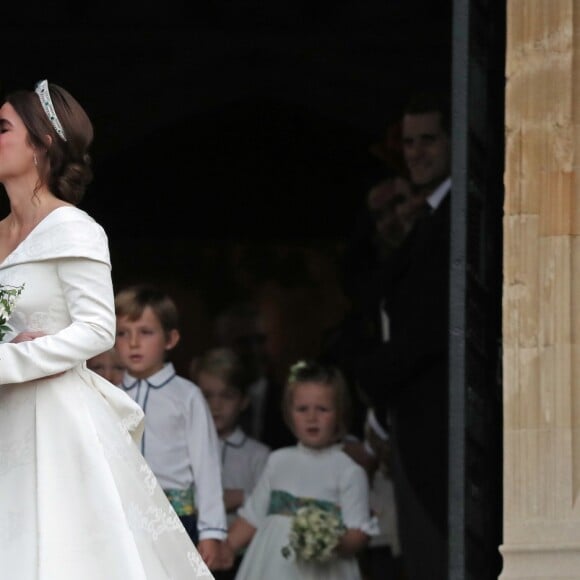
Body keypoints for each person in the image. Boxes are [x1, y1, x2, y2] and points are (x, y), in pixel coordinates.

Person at [0, 80, 213, 578]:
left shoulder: (75, 229)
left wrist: (11, 360)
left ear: (42, 143)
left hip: (49, 416)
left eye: (3, 128)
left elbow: (97, 328)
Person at [352, 89, 452, 579]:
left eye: (429, 140)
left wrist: (368, 379)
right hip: (409, 419)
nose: (417, 152)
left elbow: (432, 324)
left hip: (442, 421)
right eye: (409, 142)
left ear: (455, 141)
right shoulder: (428, 219)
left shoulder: (456, 216)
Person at [223, 360, 378, 580]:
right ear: (289, 412)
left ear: (339, 413)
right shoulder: (278, 461)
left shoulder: (349, 471)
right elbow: (252, 517)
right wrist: (225, 548)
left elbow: (358, 533)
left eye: (322, 409)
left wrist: (330, 542)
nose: (311, 418)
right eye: (302, 409)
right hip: (273, 569)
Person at [115, 283, 227, 568]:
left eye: (146, 332)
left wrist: (211, 530)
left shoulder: (186, 396)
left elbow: (206, 465)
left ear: (171, 338)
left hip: (176, 519)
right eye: (123, 333)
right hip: (121, 519)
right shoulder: (108, 394)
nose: (134, 342)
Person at [195, 347, 270, 579]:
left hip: (243, 559)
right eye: (207, 396)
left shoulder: (259, 455)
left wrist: (241, 498)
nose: (216, 405)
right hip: (193, 552)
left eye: (226, 396)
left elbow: (270, 507)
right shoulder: (185, 450)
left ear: (244, 401)